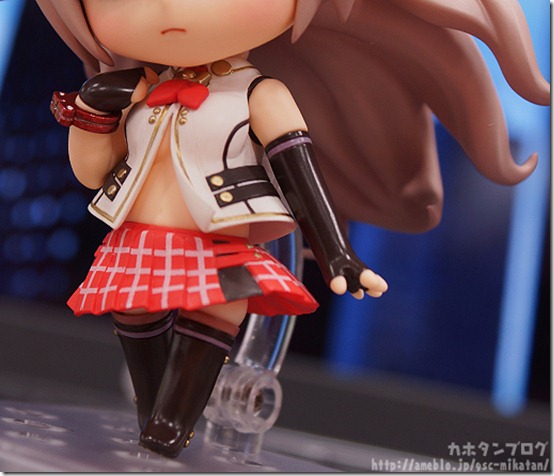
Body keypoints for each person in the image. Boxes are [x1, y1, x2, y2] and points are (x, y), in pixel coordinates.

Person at [36, 0, 548, 459]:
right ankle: (152, 406)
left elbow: (299, 172)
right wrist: (93, 112)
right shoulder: (139, 90)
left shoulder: (259, 93)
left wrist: (336, 252)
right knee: (134, 306)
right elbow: (93, 173)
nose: (169, 8)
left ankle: (173, 418)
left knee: (221, 304)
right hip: (139, 238)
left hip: (221, 236)